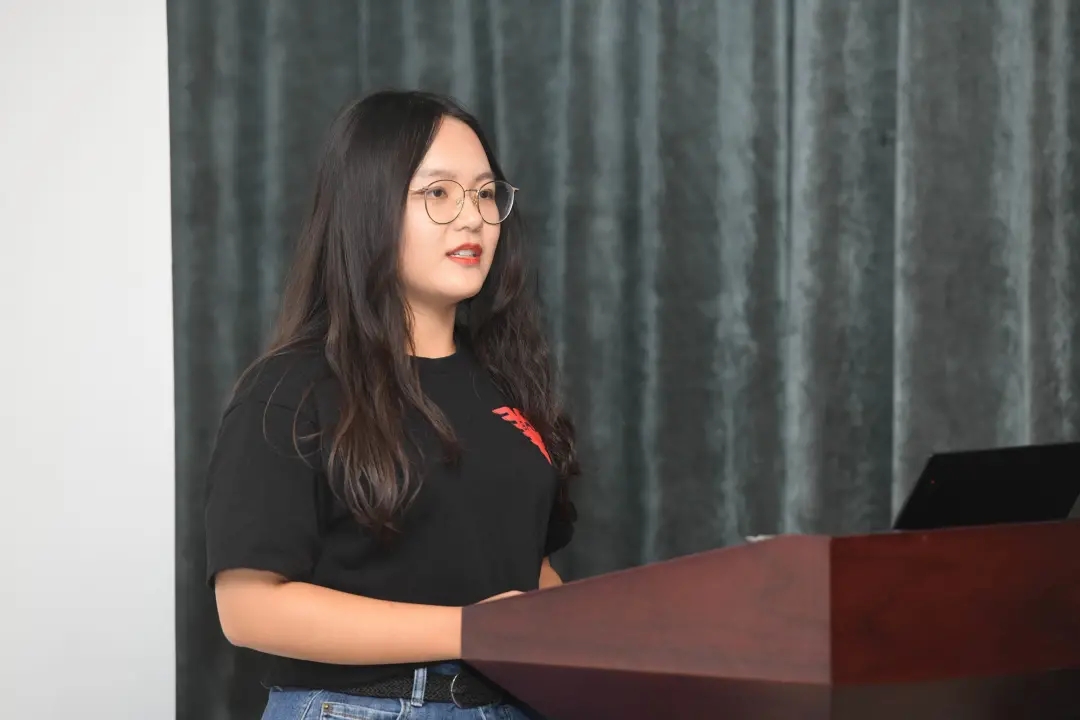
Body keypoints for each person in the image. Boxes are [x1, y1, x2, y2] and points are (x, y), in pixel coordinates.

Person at [203, 89, 579, 720]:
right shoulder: (291, 388)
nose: (472, 219)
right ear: (368, 209)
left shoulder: (508, 382)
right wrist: (468, 631)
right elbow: (249, 609)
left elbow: (526, 571)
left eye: (486, 194)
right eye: (439, 193)